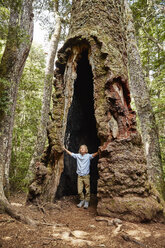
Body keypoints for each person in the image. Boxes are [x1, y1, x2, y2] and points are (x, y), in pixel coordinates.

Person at [63, 145, 98, 209]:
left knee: (87, 190)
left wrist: (99, 151)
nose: (82, 149)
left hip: (86, 176)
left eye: (83, 148)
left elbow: (94, 155)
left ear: (86, 150)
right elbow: (71, 154)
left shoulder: (88, 156)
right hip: (79, 176)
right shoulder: (78, 155)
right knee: (79, 190)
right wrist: (64, 149)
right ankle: (82, 200)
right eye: (81, 148)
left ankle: (86, 201)